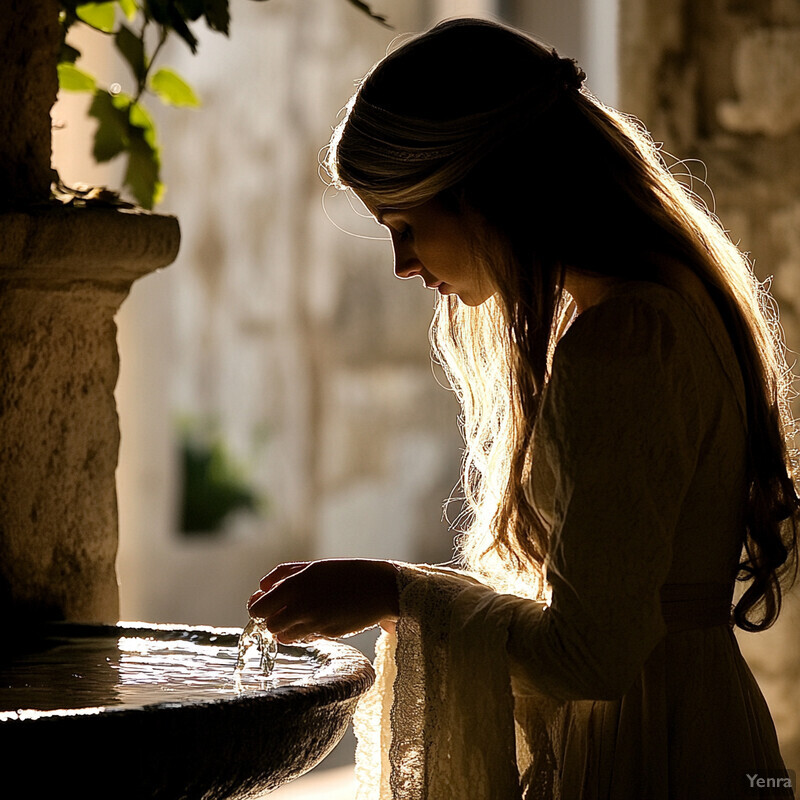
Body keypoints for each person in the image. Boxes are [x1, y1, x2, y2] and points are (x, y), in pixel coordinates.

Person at [247, 18, 799, 799]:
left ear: (491, 193)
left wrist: (391, 591)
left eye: (406, 226)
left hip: (647, 750)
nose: (404, 266)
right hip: (693, 720)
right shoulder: (667, 305)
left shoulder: (623, 342)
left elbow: (589, 654)